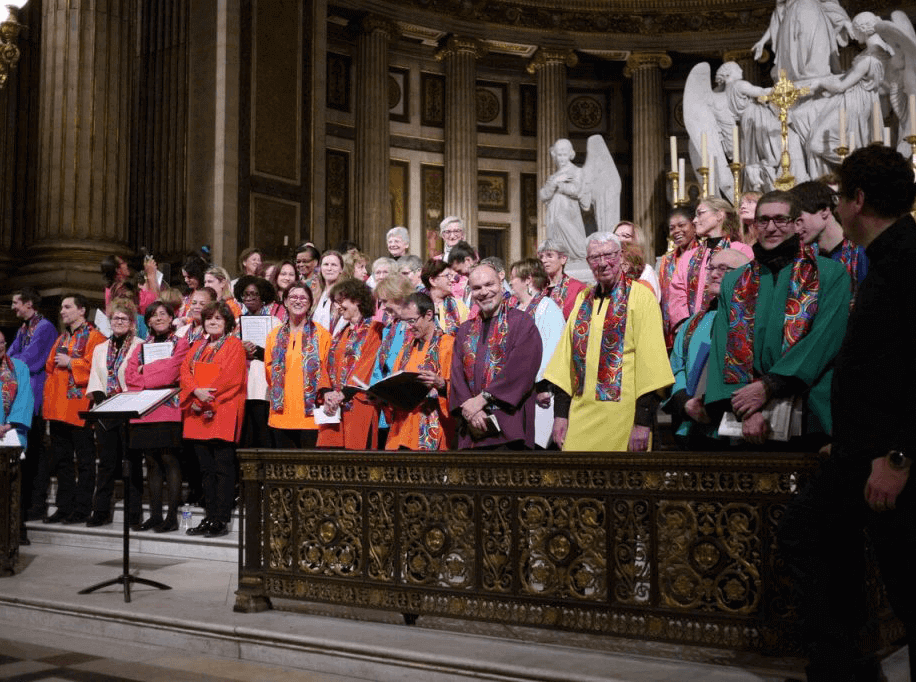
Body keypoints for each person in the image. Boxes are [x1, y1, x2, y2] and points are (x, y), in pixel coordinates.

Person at [778, 145, 916, 682]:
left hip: (891, 458)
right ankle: (845, 667)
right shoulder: (888, 255)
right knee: (811, 532)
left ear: (858, 199)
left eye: (838, 198)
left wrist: (899, 454)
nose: (835, 208)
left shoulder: (906, 260)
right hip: (865, 449)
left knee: (907, 584)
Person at [704, 190, 851, 446]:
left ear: (797, 224)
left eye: (780, 219)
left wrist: (770, 385)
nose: (771, 228)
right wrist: (746, 409)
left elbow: (826, 338)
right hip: (748, 418)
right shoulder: (734, 281)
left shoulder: (830, 274)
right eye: (763, 220)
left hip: (810, 409)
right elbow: (723, 346)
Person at [544, 233, 673, 452]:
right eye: (595, 257)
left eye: (609, 255)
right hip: (580, 415)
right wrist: (560, 416)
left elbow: (651, 364)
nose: (603, 263)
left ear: (621, 256)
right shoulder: (583, 300)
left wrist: (642, 423)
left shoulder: (641, 297)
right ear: (588, 262)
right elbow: (565, 363)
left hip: (624, 418)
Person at [449, 264, 542, 450]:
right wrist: (471, 410)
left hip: (509, 428)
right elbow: (457, 376)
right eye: (477, 288)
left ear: (501, 283)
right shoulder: (465, 330)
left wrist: (481, 400)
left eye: (489, 284)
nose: (484, 292)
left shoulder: (522, 323)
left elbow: (521, 371)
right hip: (473, 428)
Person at [664, 249, 751, 448]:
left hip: (738, 428)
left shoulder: (750, 319)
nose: (714, 274)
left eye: (724, 269)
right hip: (693, 427)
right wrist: (686, 403)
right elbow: (676, 367)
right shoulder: (693, 322)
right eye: (711, 268)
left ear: (746, 275)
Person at [179, 301, 247, 538]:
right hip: (198, 412)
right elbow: (184, 371)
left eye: (218, 318)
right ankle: (209, 517)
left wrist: (204, 397)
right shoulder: (198, 346)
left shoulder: (234, 345)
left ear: (227, 323)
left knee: (222, 470)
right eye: (209, 318)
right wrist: (195, 392)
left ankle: (221, 520)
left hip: (222, 411)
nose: (213, 322)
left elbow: (231, 379)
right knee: (205, 471)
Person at [124, 301, 190, 533]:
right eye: (153, 315)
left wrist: (145, 372)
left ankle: (171, 517)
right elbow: (129, 376)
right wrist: (154, 373)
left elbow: (171, 373)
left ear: (171, 318)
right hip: (144, 410)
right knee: (151, 463)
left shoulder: (181, 343)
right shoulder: (141, 347)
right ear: (148, 322)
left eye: (163, 314)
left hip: (168, 409)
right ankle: (155, 515)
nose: (159, 318)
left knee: (169, 460)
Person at [41, 294, 107, 524]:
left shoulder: (95, 337)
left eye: (67, 307)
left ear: (82, 310)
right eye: (61, 307)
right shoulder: (62, 338)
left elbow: (98, 368)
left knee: (86, 462)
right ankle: (64, 507)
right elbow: (50, 366)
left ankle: (82, 508)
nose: (62, 311)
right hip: (57, 407)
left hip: (80, 407)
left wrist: (71, 362)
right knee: (62, 461)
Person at [85, 299, 144, 527]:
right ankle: (100, 511)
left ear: (132, 323)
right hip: (106, 411)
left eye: (124, 318)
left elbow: (139, 378)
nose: (119, 322)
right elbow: (95, 379)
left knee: (132, 463)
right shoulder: (100, 348)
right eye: (115, 318)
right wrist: (104, 406)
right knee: (106, 464)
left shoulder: (140, 345)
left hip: (129, 409)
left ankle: (133, 514)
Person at [668, 197, 754, 332]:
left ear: (719, 215)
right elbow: (677, 292)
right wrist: (684, 323)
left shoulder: (742, 251)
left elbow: (747, 288)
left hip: (731, 326)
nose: (695, 220)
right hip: (692, 329)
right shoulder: (689, 256)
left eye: (700, 213)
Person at [9, 288, 58, 522]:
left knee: (36, 452)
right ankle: (26, 502)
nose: (12, 307)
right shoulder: (25, 328)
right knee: (27, 453)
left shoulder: (44, 327)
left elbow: (30, 359)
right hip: (24, 395)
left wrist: (8, 361)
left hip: (36, 395)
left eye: (15, 302)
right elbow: (11, 353)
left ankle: (37, 504)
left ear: (29, 304)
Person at [316, 279, 383, 449]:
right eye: (336, 302)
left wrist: (344, 393)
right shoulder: (341, 332)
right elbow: (326, 366)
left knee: (358, 457)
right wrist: (326, 392)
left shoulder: (375, 329)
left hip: (359, 404)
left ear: (357, 300)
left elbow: (368, 366)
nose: (338, 306)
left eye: (341, 301)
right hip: (334, 407)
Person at [384, 292, 455, 450]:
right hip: (401, 429)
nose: (409, 327)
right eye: (405, 322)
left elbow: (458, 389)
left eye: (412, 320)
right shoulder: (406, 349)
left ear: (429, 315)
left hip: (431, 428)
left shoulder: (448, 345)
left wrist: (441, 384)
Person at [265, 283, 330, 448]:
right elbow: (269, 372)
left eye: (303, 298)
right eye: (293, 297)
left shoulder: (322, 335)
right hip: (281, 415)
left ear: (310, 303)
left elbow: (327, 373)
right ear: (285, 302)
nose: (298, 301)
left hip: (312, 417)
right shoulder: (274, 335)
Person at [508, 258, 565, 449]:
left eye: (513, 277)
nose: (510, 282)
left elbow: (553, 348)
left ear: (528, 279)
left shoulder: (547, 308)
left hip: (540, 394)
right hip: (516, 392)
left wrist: (542, 386)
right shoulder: (514, 309)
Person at [791, 180, 868, 298]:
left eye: (799, 218)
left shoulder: (861, 254)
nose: (795, 229)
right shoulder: (806, 261)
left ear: (824, 211)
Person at [234, 276, 281, 449]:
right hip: (242, 384)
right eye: (246, 294)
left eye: (254, 294)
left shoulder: (274, 322)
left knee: (263, 435)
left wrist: (258, 351)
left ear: (263, 297)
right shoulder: (236, 324)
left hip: (263, 385)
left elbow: (279, 354)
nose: (249, 298)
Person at [371, 274, 415, 448]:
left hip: (410, 408)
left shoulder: (417, 326)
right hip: (387, 410)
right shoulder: (390, 328)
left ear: (398, 296)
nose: (382, 307)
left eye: (384, 301)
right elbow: (380, 366)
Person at [0, 330, 35, 545]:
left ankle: (15, 532)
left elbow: (25, 399)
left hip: (11, 434)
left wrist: (7, 425)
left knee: (13, 487)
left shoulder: (19, 368)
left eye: (2, 343)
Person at [538, 138, 588, 261]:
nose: (561, 159)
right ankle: (561, 261)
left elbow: (577, 190)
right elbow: (543, 195)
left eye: (564, 155)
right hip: (553, 213)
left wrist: (559, 185)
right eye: (559, 155)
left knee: (571, 235)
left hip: (568, 212)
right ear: (554, 155)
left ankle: (579, 256)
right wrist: (554, 182)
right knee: (555, 240)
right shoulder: (554, 176)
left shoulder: (577, 171)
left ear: (570, 155)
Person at [656, 208, 697, 349]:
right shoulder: (666, 260)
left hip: (695, 325)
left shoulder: (703, 254)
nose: (676, 231)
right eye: (672, 228)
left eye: (682, 225)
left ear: (694, 226)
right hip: (671, 331)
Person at [537, 239, 587, 320]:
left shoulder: (577, 288)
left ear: (563, 259)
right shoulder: (537, 288)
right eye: (541, 257)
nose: (544, 260)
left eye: (549, 256)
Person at [613, 221, 661, 300]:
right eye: (615, 236)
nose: (619, 239)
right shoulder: (609, 270)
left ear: (636, 241)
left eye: (625, 236)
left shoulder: (646, 271)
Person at [421, 259, 468, 335]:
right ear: (433, 281)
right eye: (447, 276)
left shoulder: (458, 306)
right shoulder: (419, 306)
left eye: (451, 276)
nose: (452, 280)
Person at [312, 250, 346, 334]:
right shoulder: (316, 293)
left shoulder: (345, 295)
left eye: (334, 265)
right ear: (320, 268)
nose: (329, 268)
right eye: (326, 264)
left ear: (341, 269)